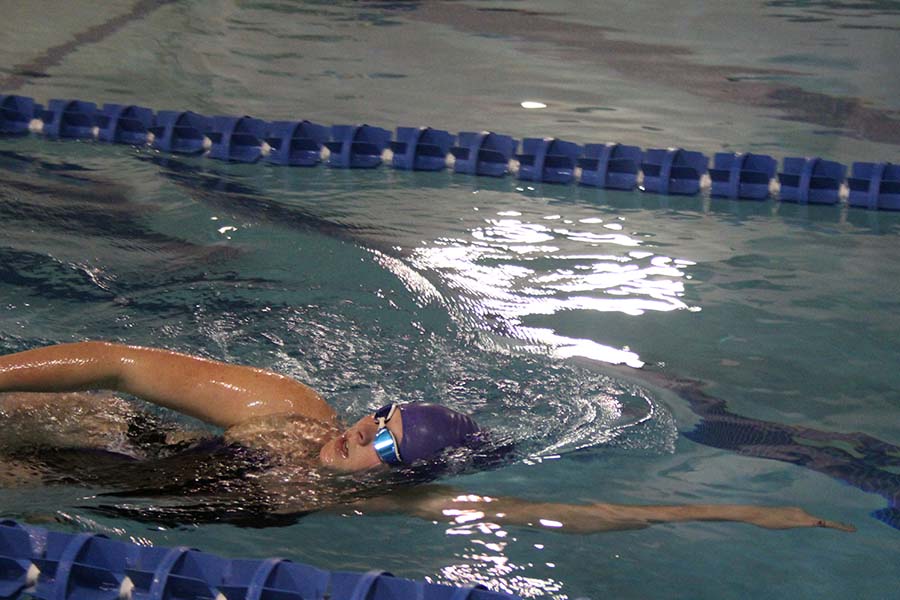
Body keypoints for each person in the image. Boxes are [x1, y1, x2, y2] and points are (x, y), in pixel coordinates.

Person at [0, 341, 854, 533]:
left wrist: (739, 514)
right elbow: (115, 363)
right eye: (379, 417)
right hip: (126, 439)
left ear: (397, 477)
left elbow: (566, 515)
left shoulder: (378, 505)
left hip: (113, 492)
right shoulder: (288, 408)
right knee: (74, 413)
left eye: (387, 445)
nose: (362, 436)